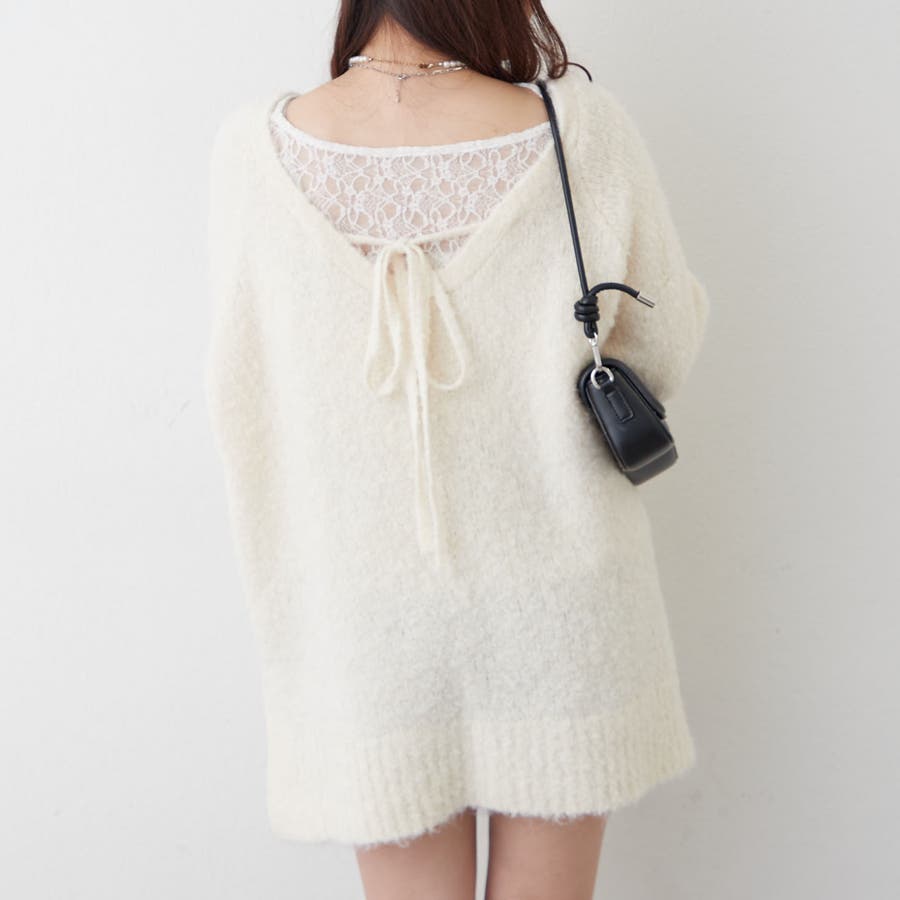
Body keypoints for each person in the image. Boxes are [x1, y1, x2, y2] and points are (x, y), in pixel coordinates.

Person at [204, 2, 710, 898]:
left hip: (366, 619)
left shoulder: (256, 152)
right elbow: (661, 348)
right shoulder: (580, 132)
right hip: (563, 609)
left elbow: (244, 394)